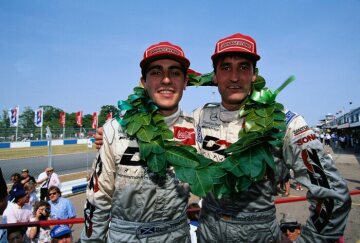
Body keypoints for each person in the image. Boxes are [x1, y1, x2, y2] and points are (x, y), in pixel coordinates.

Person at [193, 33, 351, 242]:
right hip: (207, 231)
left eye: (243, 67)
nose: (234, 77)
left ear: (254, 75)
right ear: (214, 76)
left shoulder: (285, 123)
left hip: (258, 233)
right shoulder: (198, 117)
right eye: (225, 68)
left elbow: (333, 195)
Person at [81, 41, 195, 242]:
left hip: (178, 236)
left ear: (186, 81)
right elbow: (98, 198)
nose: (166, 80)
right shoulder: (115, 129)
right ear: (143, 81)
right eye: (156, 72)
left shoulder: (197, 128)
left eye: (175, 73)